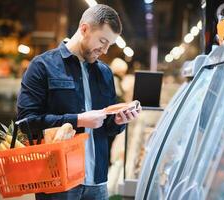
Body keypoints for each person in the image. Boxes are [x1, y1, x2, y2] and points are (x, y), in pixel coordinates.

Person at [17, 4, 141, 200]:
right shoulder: (42, 66)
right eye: (102, 40)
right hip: (58, 182)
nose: (105, 50)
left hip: (97, 181)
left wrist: (119, 121)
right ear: (84, 29)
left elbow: (107, 127)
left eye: (109, 44)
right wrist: (78, 120)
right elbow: (26, 123)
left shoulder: (105, 73)